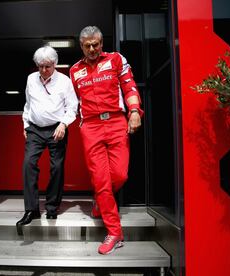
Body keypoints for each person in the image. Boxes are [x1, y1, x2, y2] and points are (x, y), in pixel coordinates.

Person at [69, 26, 143, 254]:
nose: (92, 49)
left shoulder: (116, 59)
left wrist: (133, 111)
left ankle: (100, 201)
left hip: (115, 123)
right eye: (87, 45)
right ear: (81, 46)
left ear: (102, 43)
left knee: (120, 174)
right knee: (101, 180)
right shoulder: (74, 70)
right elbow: (71, 101)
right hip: (90, 127)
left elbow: (129, 85)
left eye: (96, 44)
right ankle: (115, 232)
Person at [16, 46, 78, 233]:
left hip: (56, 128)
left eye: (48, 67)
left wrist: (64, 125)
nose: (43, 71)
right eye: (40, 66)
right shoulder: (31, 79)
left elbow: (73, 106)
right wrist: (26, 123)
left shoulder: (65, 81)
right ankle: (31, 209)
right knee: (28, 164)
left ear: (55, 64)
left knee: (57, 167)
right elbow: (28, 103)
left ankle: (52, 207)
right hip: (35, 128)